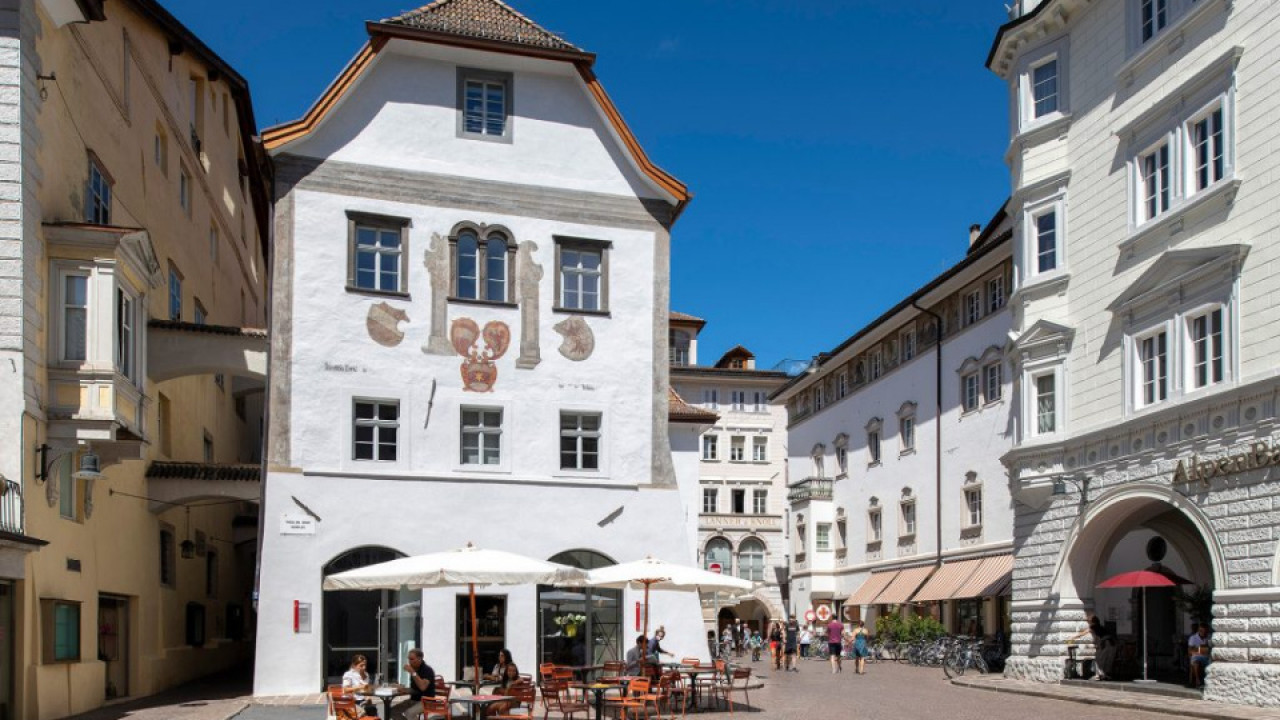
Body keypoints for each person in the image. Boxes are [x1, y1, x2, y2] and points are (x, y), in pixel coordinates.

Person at [1067, 615, 1115, 681]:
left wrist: (1073, 638)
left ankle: (1099, 675)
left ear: (1093, 622)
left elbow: (1082, 634)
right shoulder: (1100, 627)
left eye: (1089, 621)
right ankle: (1104, 675)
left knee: (1098, 660)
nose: (1088, 622)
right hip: (1111, 644)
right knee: (1105, 660)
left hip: (1105, 644)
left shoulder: (1093, 627)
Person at [392, 648, 435, 720]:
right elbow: (415, 689)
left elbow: (422, 687)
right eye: (409, 659)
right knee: (392, 711)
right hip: (414, 700)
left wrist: (412, 672)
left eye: (412, 659)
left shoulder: (427, 670)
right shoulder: (415, 670)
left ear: (419, 659)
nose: (409, 662)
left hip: (426, 701)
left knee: (409, 713)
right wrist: (404, 690)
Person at [483, 649, 521, 717]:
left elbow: (521, 679)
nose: (511, 672)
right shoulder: (499, 669)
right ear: (506, 672)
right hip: (505, 699)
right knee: (490, 706)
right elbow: (496, 677)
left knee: (499, 707)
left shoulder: (513, 673)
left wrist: (513, 683)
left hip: (511, 701)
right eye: (499, 656)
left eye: (502, 656)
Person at [1188, 623, 1212, 688]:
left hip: (1207, 657)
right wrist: (1199, 650)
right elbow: (1189, 651)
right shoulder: (1193, 638)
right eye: (1201, 631)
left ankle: (1209, 681)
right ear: (1199, 630)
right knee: (1195, 659)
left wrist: (1206, 646)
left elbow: (1210, 649)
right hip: (1197, 656)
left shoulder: (1209, 637)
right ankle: (1197, 680)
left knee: (1210, 661)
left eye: (1205, 632)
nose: (1203, 633)